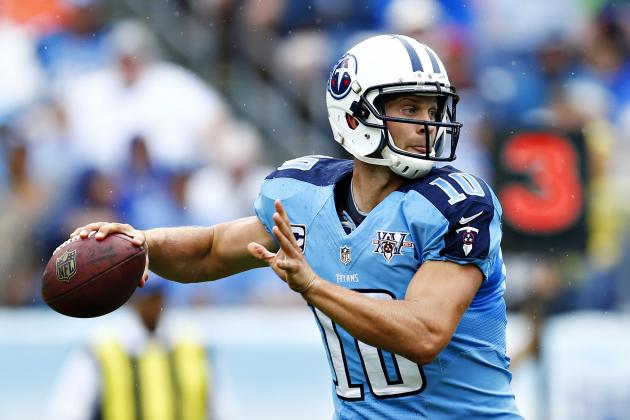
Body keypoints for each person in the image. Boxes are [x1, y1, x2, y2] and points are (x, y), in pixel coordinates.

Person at [71, 34, 522, 418]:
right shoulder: (305, 197)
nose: (427, 124)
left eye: (432, 109)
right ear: (354, 115)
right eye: (410, 107)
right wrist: (140, 243)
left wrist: (314, 286)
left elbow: (425, 333)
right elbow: (210, 250)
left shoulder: (458, 204)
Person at [46, 279, 212, 420]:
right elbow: (67, 411)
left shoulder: (191, 344)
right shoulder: (100, 348)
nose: (153, 305)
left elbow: (222, 411)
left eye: (156, 296)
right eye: (147, 297)